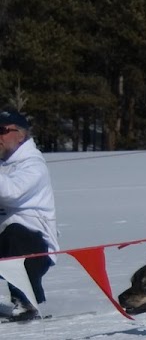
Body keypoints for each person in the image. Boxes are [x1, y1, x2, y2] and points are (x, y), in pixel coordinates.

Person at [0, 108, 58, 321]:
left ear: (21, 135)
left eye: (2, 130)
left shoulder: (33, 165)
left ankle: (27, 301)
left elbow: (11, 193)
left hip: (35, 247)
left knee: (15, 233)